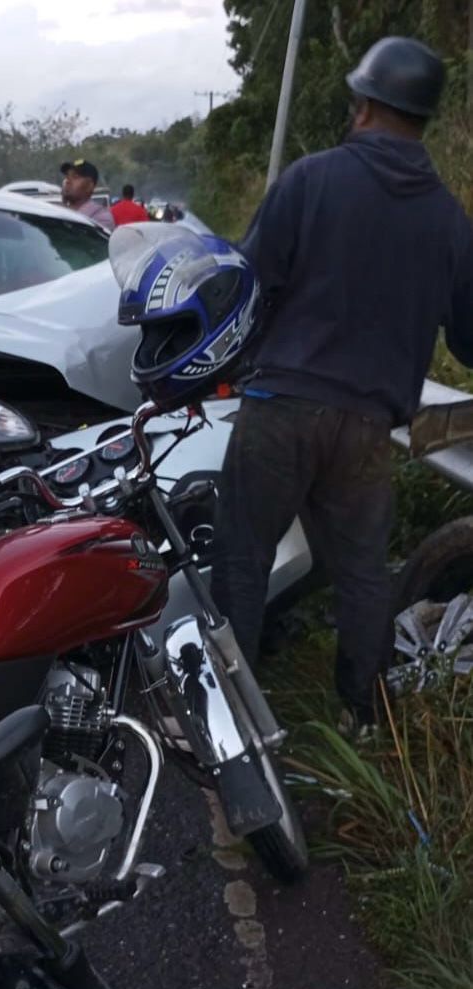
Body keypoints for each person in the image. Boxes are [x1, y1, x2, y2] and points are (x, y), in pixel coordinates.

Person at [209, 36, 473, 738]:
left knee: (241, 560)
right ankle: (363, 716)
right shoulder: (450, 221)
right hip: (366, 427)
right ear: (421, 120)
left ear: (361, 105)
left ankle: (239, 729)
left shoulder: (308, 179)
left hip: (280, 407)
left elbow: (246, 287)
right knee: (360, 576)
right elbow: (469, 343)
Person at [60, 160, 115, 230]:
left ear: (90, 186)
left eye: (75, 177)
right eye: (67, 177)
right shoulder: (57, 212)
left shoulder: (101, 218)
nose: (68, 181)